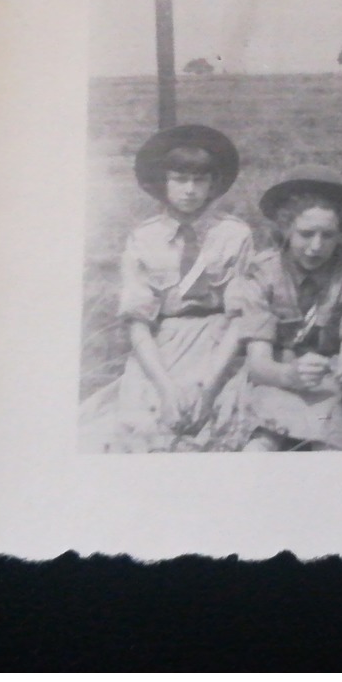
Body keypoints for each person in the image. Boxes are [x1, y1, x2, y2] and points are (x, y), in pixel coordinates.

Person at [86, 124, 255, 453]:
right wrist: (165, 387)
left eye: (200, 180)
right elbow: (138, 322)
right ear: (163, 183)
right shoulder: (143, 238)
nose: (190, 190)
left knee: (218, 423)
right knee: (147, 427)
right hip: (161, 345)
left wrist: (209, 387)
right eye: (180, 180)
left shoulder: (235, 234)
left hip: (219, 344)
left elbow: (240, 318)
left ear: (213, 184)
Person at [228, 166, 342, 451]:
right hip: (275, 376)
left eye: (328, 236)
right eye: (306, 234)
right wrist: (288, 375)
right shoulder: (262, 272)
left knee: (329, 450)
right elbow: (259, 364)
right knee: (260, 446)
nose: (316, 247)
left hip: (329, 380)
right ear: (285, 229)